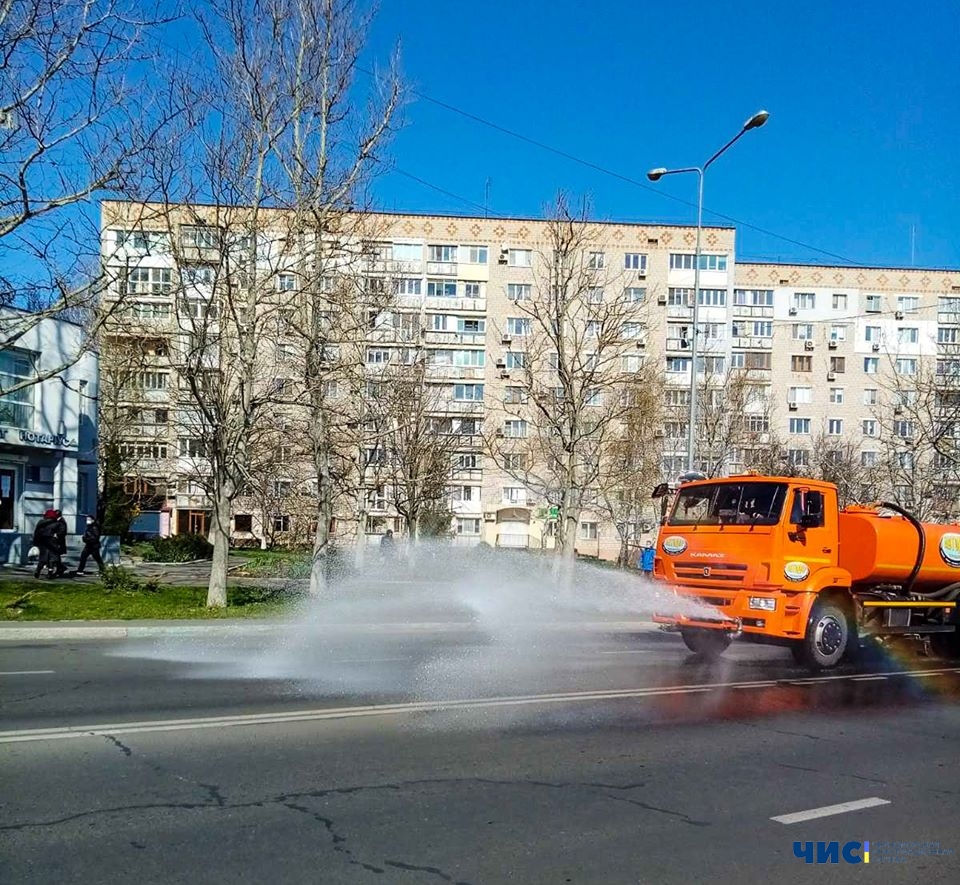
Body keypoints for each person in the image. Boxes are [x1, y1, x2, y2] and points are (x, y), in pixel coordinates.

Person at [32, 510, 60, 579]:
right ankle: (50, 573)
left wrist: (35, 543)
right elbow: (59, 534)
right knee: (51, 559)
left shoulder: (40, 522)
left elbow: (36, 532)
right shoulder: (56, 523)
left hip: (42, 542)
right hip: (52, 543)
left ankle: (38, 571)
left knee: (42, 558)